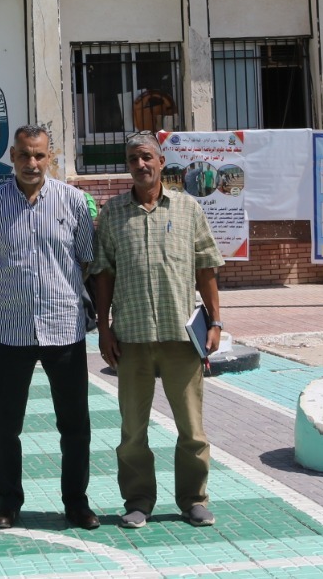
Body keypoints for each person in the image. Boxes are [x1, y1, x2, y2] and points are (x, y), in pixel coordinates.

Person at [0, 125, 99, 531]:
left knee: (75, 425)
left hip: (65, 328)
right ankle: (8, 503)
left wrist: (64, 290)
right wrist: (4, 290)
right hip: (12, 330)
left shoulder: (73, 201)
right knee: (6, 425)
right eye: (24, 154)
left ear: (50, 157)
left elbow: (87, 259)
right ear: (12, 156)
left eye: (39, 155)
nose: (32, 163)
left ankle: (76, 503)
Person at [92, 134, 224, 528]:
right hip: (131, 338)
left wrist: (216, 322)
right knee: (133, 430)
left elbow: (206, 267)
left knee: (192, 429)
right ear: (128, 165)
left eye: (147, 157)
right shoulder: (113, 213)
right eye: (133, 158)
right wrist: (103, 328)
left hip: (181, 337)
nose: (141, 164)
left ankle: (193, 500)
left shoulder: (187, 209)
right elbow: (103, 274)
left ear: (161, 161)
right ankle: (138, 501)